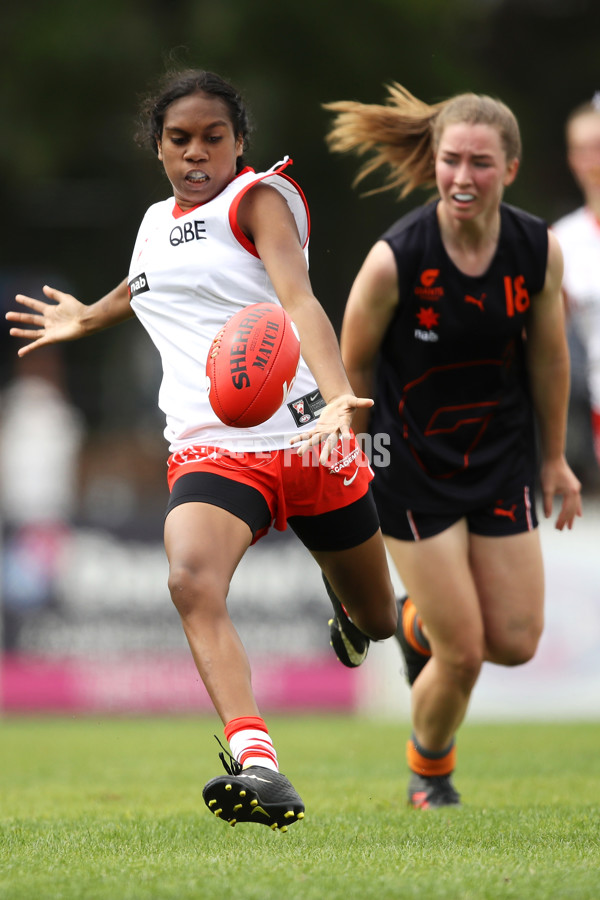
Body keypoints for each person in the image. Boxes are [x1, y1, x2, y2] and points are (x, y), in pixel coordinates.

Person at [6, 68, 398, 830]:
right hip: (214, 448)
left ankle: (348, 613)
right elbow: (146, 283)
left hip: (310, 438)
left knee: (381, 621)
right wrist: (88, 317)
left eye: (212, 137)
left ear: (238, 141)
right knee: (189, 579)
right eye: (179, 139)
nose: (196, 153)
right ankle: (259, 763)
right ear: (158, 148)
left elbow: (300, 301)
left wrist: (339, 394)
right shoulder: (154, 222)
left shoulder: (258, 201)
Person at [314, 83, 582, 809]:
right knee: (461, 653)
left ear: (513, 169)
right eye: (451, 160)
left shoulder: (536, 250)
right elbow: (353, 363)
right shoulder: (395, 258)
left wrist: (554, 458)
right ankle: (429, 775)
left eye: (481, 164)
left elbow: (549, 360)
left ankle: (410, 622)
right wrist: (354, 453)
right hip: (412, 467)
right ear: (434, 162)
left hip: (499, 462)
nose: (463, 177)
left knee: (518, 641)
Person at [552, 94, 600, 473]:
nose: (592, 160)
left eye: (598, 147)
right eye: (582, 149)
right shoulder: (562, 240)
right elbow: (548, 339)